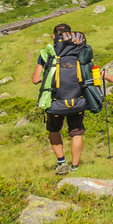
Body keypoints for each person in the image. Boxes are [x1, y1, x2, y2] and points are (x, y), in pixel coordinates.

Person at [31, 23, 85, 175]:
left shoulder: (47, 52)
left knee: (54, 129)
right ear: (70, 35)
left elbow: (35, 79)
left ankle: (61, 162)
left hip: (55, 101)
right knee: (77, 131)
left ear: (54, 36)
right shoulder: (78, 50)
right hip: (77, 99)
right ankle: (75, 167)